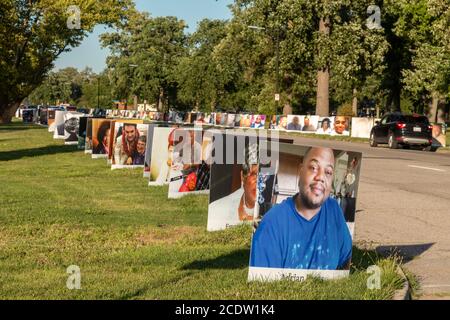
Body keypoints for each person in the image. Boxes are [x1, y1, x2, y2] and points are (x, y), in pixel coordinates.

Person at [250, 147, 352, 270]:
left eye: (328, 172)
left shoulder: (334, 210)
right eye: (313, 168)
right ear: (300, 171)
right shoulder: (272, 224)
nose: (320, 177)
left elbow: (347, 258)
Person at [207, 143, 259, 231]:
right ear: (243, 176)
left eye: (266, 177)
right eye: (255, 174)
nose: (260, 182)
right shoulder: (216, 211)